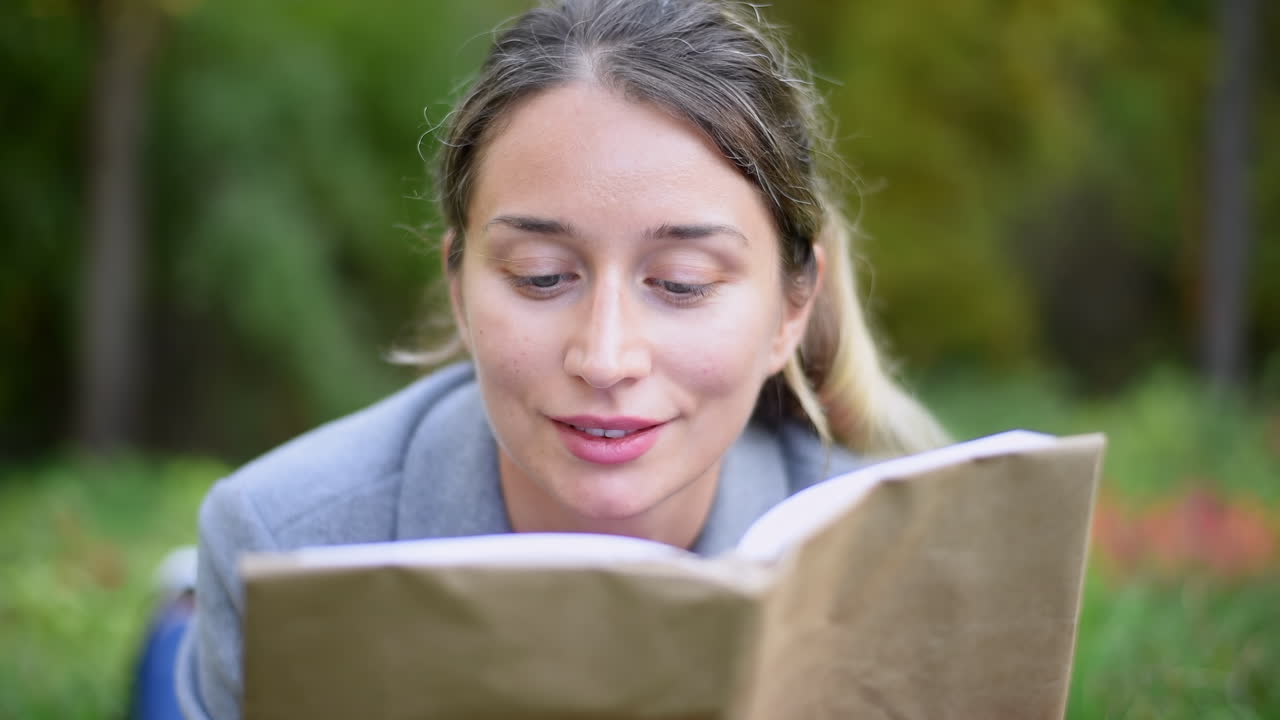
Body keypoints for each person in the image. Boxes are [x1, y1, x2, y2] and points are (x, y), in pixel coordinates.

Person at [171, 0, 949, 717]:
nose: (605, 358)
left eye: (681, 284)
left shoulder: (906, 562)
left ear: (791, 307)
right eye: (541, 276)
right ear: (459, 288)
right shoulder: (278, 542)